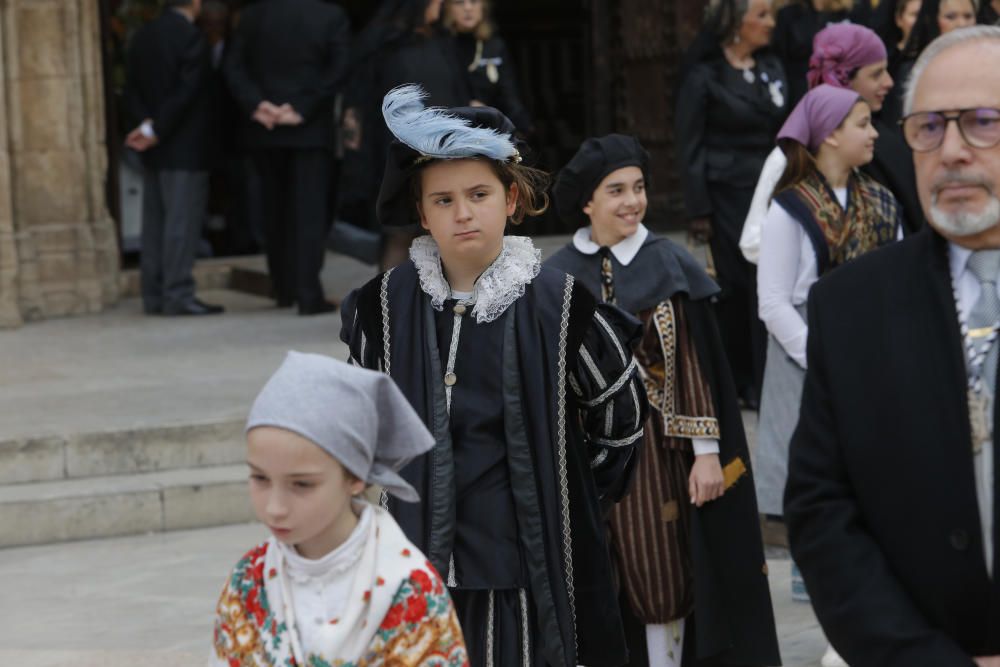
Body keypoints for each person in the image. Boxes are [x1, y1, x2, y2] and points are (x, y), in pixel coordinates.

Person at [341, 86, 647, 667]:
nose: (462, 212)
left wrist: (573, 489)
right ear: (422, 212)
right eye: (443, 199)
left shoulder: (558, 304)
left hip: (527, 569)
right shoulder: (379, 309)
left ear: (511, 199)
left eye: (478, 194)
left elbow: (622, 415)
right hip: (417, 564)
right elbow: (359, 426)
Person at [785, 25, 1000, 664]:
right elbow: (822, 510)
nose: (953, 150)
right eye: (930, 128)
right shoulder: (852, 305)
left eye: (982, 122)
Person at [546, 135, 780, 667]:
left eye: (639, 188)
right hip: (586, 458)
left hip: (657, 454)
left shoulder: (667, 262)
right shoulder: (557, 274)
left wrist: (706, 454)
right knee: (602, 574)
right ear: (587, 202)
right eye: (616, 191)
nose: (632, 201)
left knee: (660, 575)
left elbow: (694, 364)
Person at [209, 351, 468, 666]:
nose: (275, 508)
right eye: (260, 478)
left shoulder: (409, 590)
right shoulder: (248, 581)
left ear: (356, 477)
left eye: (302, 484)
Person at [676, 0, 788, 408]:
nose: (770, 23)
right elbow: (690, 145)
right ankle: (742, 381)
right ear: (735, 24)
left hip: (773, 187)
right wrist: (698, 209)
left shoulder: (772, 69)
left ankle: (767, 377)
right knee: (738, 286)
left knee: (771, 281)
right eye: (762, 15)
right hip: (727, 194)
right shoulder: (705, 76)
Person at [741, 23, 920, 263]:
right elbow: (754, 241)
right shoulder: (793, 153)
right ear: (844, 78)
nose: (889, 82)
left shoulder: (883, 140)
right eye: (876, 73)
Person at [224, 0, 350, 315]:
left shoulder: (252, 14)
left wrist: (258, 105)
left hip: (265, 130)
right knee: (309, 213)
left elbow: (232, 66)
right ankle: (308, 293)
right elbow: (339, 68)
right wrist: (302, 108)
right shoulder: (330, 15)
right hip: (308, 130)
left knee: (273, 209)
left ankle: (283, 288)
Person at [339, 0, 468, 269]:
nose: (440, 4)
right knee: (400, 233)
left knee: (445, 233)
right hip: (400, 153)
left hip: (445, 151)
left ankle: (439, 306)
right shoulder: (382, 44)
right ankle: (387, 307)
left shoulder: (442, 41)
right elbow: (360, 105)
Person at [125, 0, 223, 316]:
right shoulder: (192, 37)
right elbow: (188, 92)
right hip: (184, 146)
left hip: (154, 145)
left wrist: (146, 126)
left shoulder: (142, 35)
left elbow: (131, 88)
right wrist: (156, 128)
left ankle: (153, 295)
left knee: (155, 224)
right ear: (194, 3)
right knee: (181, 223)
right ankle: (177, 294)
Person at [443, 0, 534, 135]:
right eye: (459, 2)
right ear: (447, 8)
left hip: (491, 130)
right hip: (451, 129)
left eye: (474, 1)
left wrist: (524, 129)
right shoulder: (439, 46)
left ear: (484, 7)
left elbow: (508, 93)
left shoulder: (494, 45)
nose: (468, 8)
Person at [884, 0, 977, 124]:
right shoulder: (913, 72)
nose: (961, 24)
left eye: (968, 16)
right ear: (931, 20)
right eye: (950, 17)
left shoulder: (986, 65)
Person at [772, 0, 874, 107]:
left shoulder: (857, 9)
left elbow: (869, 57)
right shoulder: (789, 14)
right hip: (802, 101)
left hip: (847, 100)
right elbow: (778, 65)